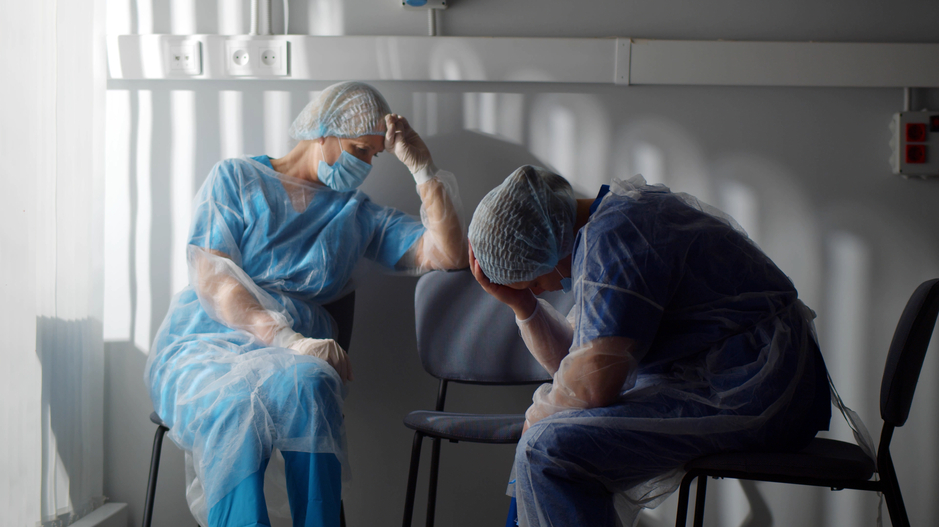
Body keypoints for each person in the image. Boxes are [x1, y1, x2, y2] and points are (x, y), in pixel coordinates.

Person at [145, 82, 466, 527]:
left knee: (311, 383)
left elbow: (447, 254)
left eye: (374, 155)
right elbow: (214, 279)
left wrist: (423, 167)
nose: (367, 164)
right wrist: (286, 338)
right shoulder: (235, 179)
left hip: (296, 357)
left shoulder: (356, 215)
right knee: (235, 405)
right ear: (323, 132)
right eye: (359, 149)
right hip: (210, 341)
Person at [467, 166, 831, 527]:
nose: (539, 289)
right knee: (546, 441)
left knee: (546, 450)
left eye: (532, 282)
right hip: (740, 378)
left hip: (758, 384)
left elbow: (592, 387)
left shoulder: (619, 237)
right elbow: (579, 368)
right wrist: (521, 305)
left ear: (542, 242)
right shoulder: (610, 229)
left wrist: (537, 417)